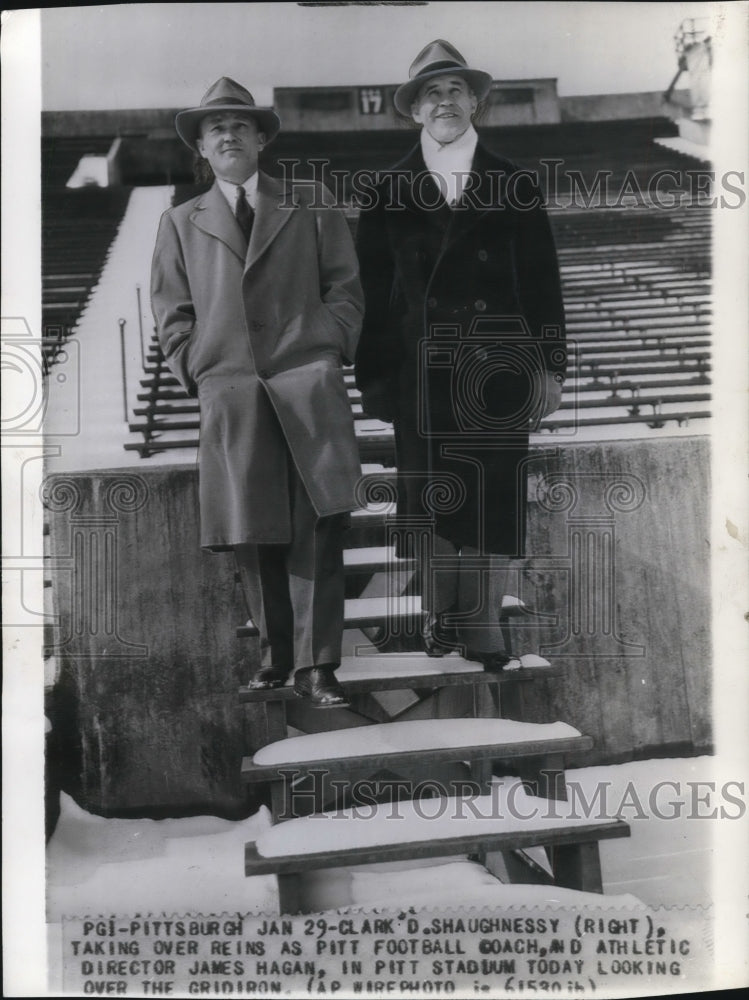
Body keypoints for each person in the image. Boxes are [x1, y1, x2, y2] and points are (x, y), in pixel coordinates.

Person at [151, 78, 364, 707]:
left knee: (319, 526)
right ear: (201, 148)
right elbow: (172, 314)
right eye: (214, 128)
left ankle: (319, 665)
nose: (228, 135)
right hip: (232, 391)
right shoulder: (179, 221)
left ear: (262, 138)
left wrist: (325, 347)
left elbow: (345, 288)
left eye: (240, 125)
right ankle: (276, 657)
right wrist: (202, 369)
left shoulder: (310, 202)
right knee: (253, 527)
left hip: (307, 385)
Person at [354, 41, 567, 669]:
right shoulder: (387, 188)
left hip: (497, 368)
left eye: (455, 90)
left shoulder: (513, 181)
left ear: (475, 100)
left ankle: (482, 627)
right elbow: (371, 294)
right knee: (432, 499)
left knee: (492, 495)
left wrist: (550, 367)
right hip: (421, 372)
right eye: (431, 92)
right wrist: (376, 381)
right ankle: (441, 618)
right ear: (415, 109)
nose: (444, 101)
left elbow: (542, 283)